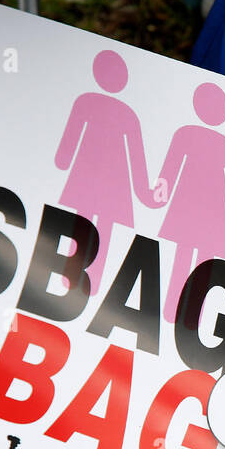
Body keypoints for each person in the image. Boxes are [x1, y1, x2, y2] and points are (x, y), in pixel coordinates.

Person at [54, 49, 160, 293]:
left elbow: (69, 143)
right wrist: (144, 190)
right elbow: (136, 158)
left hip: (94, 177)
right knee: (99, 228)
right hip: (110, 180)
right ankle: (87, 283)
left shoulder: (90, 102)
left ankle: (77, 281)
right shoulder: (126, 113)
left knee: (85, 224)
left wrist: (62, 161)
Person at [155, 82, 225, 321]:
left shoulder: (188, 134)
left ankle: (174, 310)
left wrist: (159, 196)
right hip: (208, 212)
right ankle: (183, 312)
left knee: (188, 256)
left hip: (192, 209)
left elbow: (170, 170)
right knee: (198, 260)